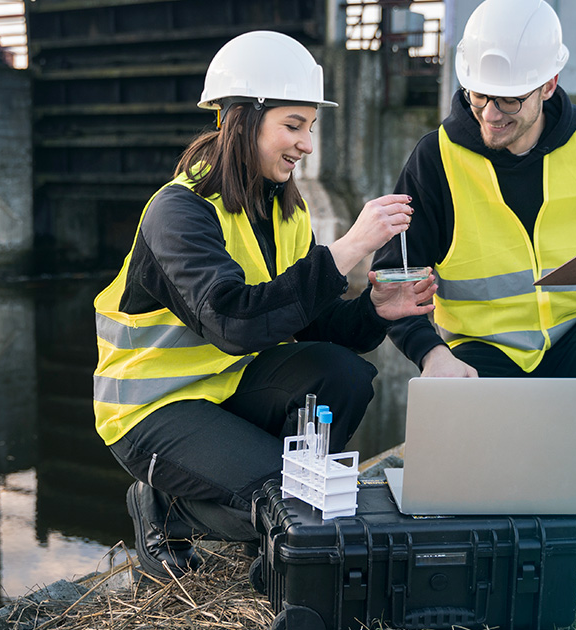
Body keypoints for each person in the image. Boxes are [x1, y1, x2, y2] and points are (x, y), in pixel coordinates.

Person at [94, 30, 436, 580]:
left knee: (344, 373)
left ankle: (279, 533)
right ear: (242, 120)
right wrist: (348, 247)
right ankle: (164, 508)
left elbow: (313, 324)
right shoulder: (178, 213)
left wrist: (377, 310)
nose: (306, 144)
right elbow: (232, 321)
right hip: (151, 411)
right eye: (293, 126)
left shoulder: (284, 213)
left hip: (227, 390)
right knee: (286, 499)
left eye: (311, 128)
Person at [372, 0, 576, 546]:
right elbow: (394, 279)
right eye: (479, 95)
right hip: (483, 359)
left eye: (510, 100)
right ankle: (532, 493)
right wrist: (432, 354)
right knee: (478, 498)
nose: (490, 114)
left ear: (549, 84)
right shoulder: (435, 159)